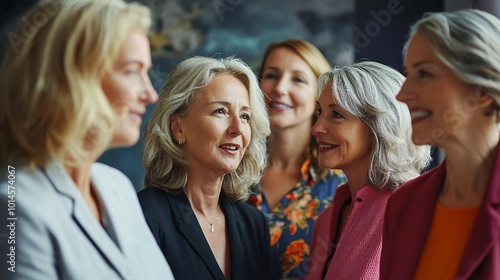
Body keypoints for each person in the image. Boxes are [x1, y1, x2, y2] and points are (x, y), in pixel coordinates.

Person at [0, 0, 174, 279]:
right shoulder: (15, 207)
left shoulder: (117, 187)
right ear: (70, 78)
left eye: (147, 71)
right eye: (132, 71)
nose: (150, 94)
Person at [380, 9, 500, 280]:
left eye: (423, 74)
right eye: (408, 73)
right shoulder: (403, 203)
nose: (402, 94)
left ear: (483, 89)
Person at [138, 56, 272, 280]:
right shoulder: (145, 214)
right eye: (220, 111)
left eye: (245, 116)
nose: (238, 128)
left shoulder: (253, 224)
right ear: (178, 128)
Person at [307, 61, 430, 279]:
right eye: (320, 112)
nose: (316, 128)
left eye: (336, 115)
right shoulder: (325, 221)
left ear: (380, 126)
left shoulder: (413, 211)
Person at [246, 38, 347, 279]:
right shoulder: (233, 172)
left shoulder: (342, 185)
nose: (280, 88)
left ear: (320, 96)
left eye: (298, 79)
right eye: (271, 75)